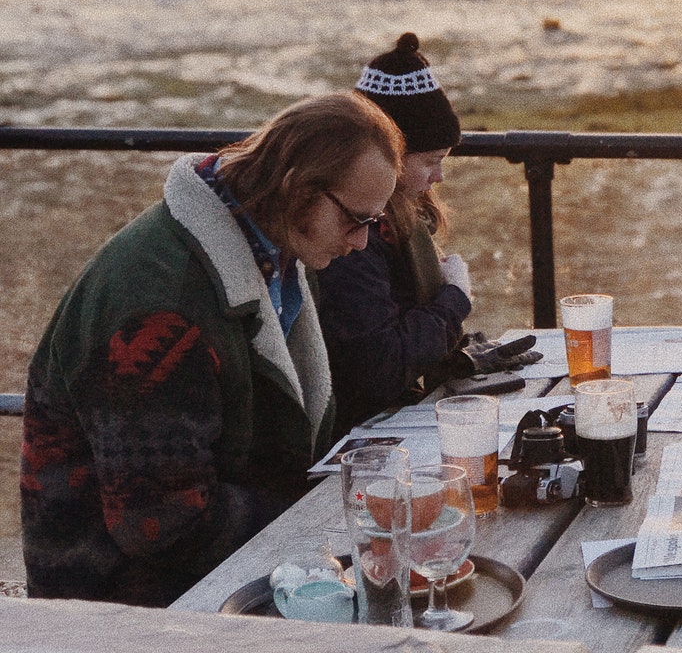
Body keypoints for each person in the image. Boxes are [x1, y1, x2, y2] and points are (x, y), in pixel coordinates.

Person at [21, 92, 404, 606]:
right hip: (121, 605)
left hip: (220, 573)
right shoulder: (162, 304)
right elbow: (158, 524)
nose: (361, 243)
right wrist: (326, 519)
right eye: (357, 220)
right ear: (294, 186)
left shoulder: (276, 249)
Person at [315, 33, 538, 436]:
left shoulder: (402, 221)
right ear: (388, 159)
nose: (439, 177)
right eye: (431, 161)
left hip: (387, 416)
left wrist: (461, 358)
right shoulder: (355, 238)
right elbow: (379, 369)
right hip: (358, 433)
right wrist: (454, 300)